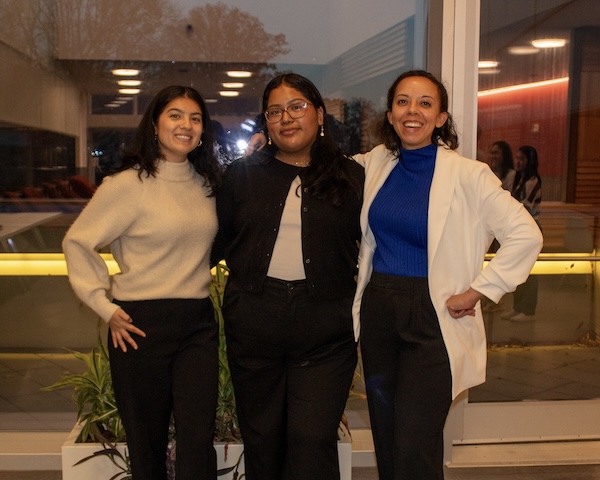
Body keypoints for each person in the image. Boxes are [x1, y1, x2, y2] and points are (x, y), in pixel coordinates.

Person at [351, 70, 543, 480]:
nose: (412, 111)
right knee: (386, 433)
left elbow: (526, 234)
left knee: (414, 441)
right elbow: (321, 175)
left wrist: (481, 289)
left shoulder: (469, 175)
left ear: (441, 117)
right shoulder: (376, 164)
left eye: (425, 103)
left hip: (435, 316)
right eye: (403, 102)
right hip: (380, 309)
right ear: (390, 114)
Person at [62, 85, 222, 480]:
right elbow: (77, 241)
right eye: (175, 115)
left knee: (197, 437)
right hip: (139, 325)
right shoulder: (125, 186)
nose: (186, 124)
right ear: (154, 124)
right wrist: (105, 306)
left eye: (195, 118)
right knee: (145, 440)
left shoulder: (208, 186)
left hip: (197, 323)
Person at [213, 73, 364, 480]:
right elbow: (215, 242)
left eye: (297, 107)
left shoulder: (353, 178)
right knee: (262, 441)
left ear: (318, 114)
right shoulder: (241, 176)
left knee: (312, 439)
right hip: (254, 327)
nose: (287, 118)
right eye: (275, 111)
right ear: (266, 121)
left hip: (326, 335)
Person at [501, 145, 543, 322]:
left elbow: (525, 205)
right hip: (514, 227)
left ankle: (527, 310)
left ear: (530, 161)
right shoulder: (513, 176)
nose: (518, 162)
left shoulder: (533, 181)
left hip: (530, 228)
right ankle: (517, 307)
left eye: (522, 159)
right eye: (516, 158)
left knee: (529, 271)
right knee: (517, 270)